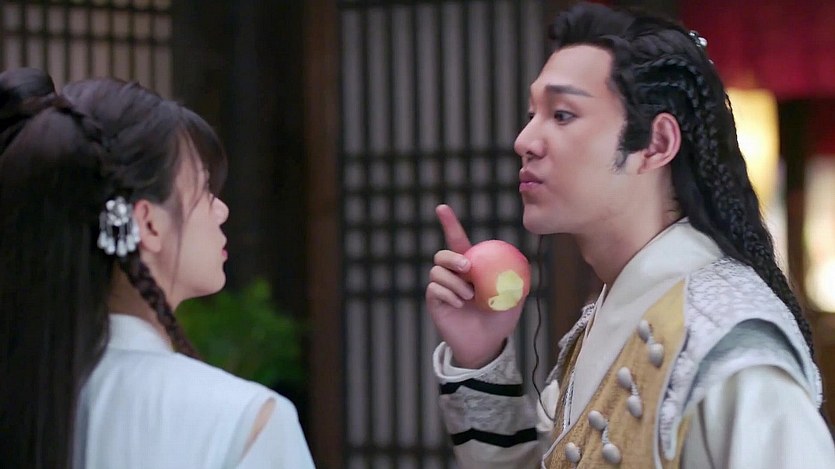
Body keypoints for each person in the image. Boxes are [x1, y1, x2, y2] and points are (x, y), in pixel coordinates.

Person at [426, 3, 835, 468]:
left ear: (656, 144)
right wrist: (479, 357)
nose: (524, 140)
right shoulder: (613, 310)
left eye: (562, 114)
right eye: (531, 113)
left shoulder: (725, 337)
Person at [0, 69, 315, 469]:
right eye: (205, 190)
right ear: (147, 224)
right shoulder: (245, 419)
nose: (221, 210)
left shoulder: (22, 392)